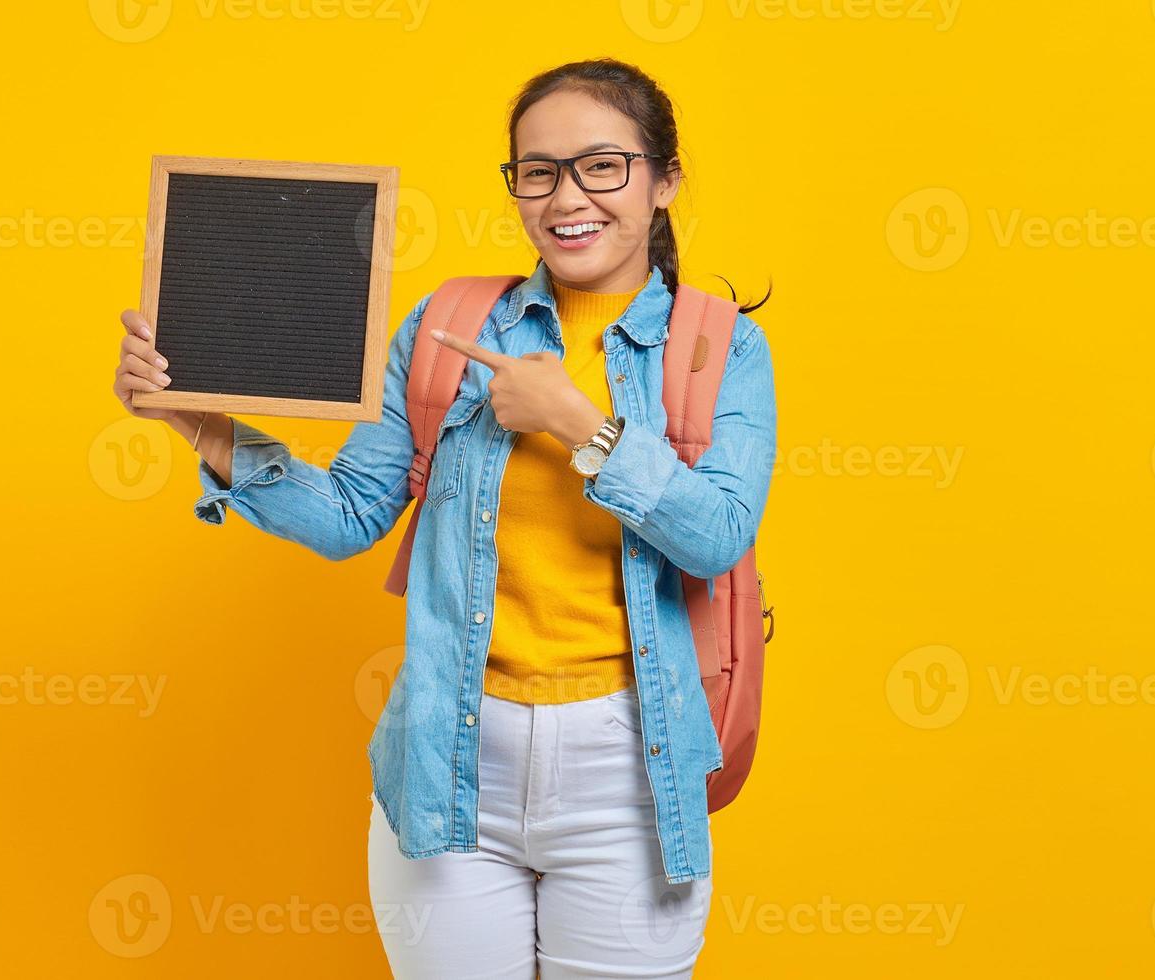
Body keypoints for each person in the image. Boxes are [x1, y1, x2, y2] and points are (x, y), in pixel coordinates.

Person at [112, 57, 776, 980]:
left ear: (663, 181)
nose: (566, 197)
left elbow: (717, 535)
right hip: (451, 762)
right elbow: (349, 515)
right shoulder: (449, 323)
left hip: (630, 772)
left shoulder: (719, 345)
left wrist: (579, 422)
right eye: (537, 172)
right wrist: (198, 420)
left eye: (602, 166)